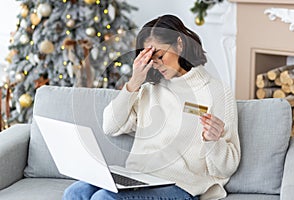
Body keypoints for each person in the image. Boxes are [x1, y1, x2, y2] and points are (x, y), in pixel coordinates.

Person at [63, 14, 240, 200]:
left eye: (161, 56)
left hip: (182, 187)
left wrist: (213, 141)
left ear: (180, 44)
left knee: (103, 199)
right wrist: (134, 82)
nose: (157, 64)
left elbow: (227, 167)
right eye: (151, 59)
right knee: (75, 193)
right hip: (138, 178)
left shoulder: (217, 92)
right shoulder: (149, 90)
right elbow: (110, 126)